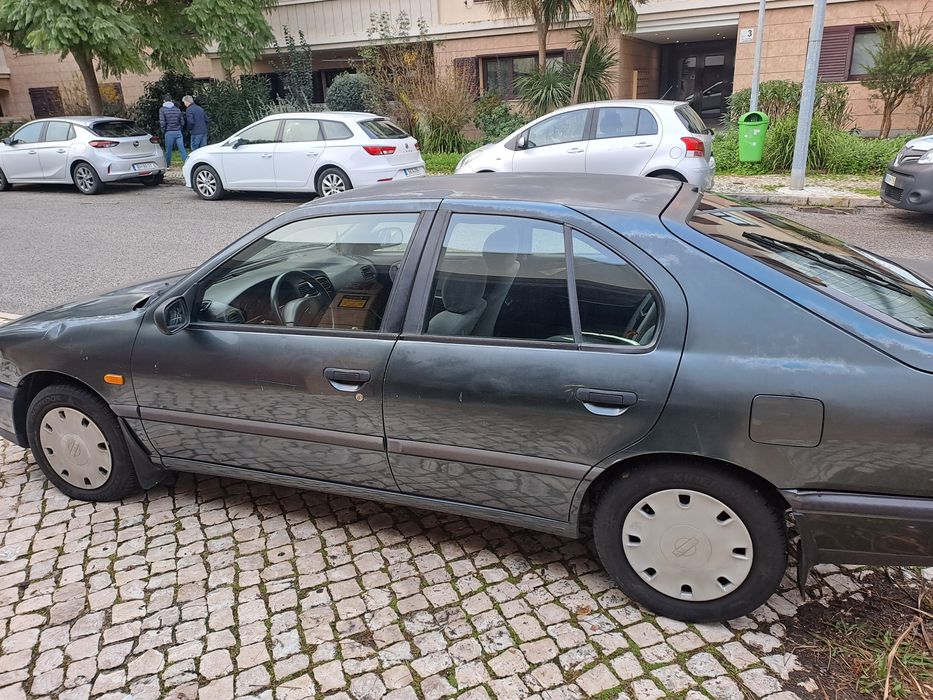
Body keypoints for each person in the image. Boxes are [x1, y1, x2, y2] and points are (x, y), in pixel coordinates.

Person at [159, 94, 187, 165]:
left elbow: (162, 122)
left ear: (164, 101)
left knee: (168, 150)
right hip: (178, 132)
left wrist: (163, 131)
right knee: (182, 149)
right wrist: (180, 128)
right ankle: (186, 162)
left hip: (169, 132)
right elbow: (182, 122)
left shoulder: (162, 110)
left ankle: (168, 164)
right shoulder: (177, 109)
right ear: (171, 101)